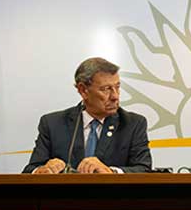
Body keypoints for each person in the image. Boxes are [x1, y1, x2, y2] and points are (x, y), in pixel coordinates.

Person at [22, 57, 152, 174]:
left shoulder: (133, 124)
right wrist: (43, 170)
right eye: (106, 89)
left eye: (117, 87)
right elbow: (30, 170)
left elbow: (144, 169)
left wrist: (111, 172)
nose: (115, 96)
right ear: (83, 90)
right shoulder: (52, 124)